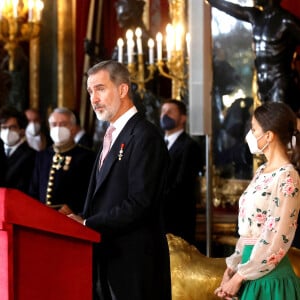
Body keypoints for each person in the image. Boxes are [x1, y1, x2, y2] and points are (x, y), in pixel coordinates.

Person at [68, 60, 171, 300]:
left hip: (135, 265)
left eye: (100, 89)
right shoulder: (111, 134)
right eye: (90, 91)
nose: (94, 99)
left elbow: (140, 203)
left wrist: (86, 224)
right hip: (106, 259)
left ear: (123, 90)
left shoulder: (145, 136)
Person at [214, 102, 300, 300]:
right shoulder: (261, 171)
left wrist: (239, 277)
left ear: (268, 136)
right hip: (248, 272)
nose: (249, 135)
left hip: (270, 279)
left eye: (253, 130)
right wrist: (232, 269)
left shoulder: (287, 176)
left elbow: (277, 236)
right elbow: (249, 230)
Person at [206, 0, 300, 112]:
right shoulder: (256, 17)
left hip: (281, 83)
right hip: (262, 84)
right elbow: (230, 8)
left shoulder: (287, 21)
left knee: (278, 123)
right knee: (265, 123)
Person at [28, 107, 96, 214]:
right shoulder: (42, 155)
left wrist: (74, 209)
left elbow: (88, 191)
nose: (58, 128)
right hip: (42, 215)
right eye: (54, 124)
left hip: (69, 217)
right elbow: (33, 189)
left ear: (73, 128)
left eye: (63, 124)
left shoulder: (86, 156)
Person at [160, 99, 204, 244]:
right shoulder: (156, 144)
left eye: (170, 112)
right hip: (158, 221)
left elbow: (181, 185)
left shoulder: (189, 146)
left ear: (183, 118)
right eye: (163, 111)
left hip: (177, 219)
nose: (165, 115)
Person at [0, 106, 36, 194]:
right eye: (4, 128)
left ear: (22, 131)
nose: (7, 131)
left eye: (12, 127)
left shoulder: (32, 155)